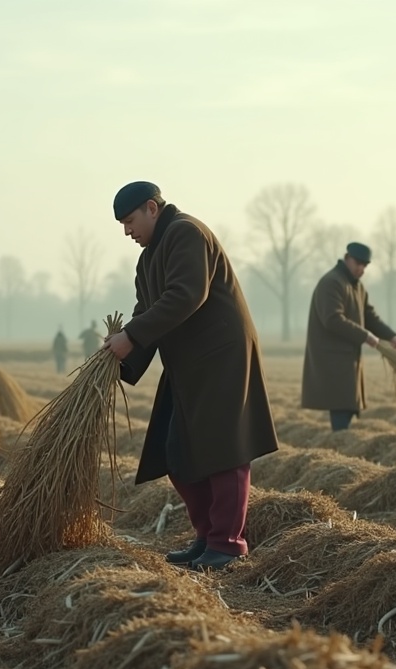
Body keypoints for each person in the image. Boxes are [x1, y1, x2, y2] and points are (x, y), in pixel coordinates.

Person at [104, 181, 278, 572]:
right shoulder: (148, 259)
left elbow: (186, 294)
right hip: (188, 363)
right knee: (177, 452)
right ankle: (207, 537)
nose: (127, 231)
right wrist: (119, 359)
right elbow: (147, 313)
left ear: (152, 208)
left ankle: (228, 544)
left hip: (221, 357)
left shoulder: (186, 232)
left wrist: (130, 336)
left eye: (130, 221)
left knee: (224, 450)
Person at [301, 241, 396, 431]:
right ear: (347, 259)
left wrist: (391, 336)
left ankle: (342, 445)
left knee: (347, 409)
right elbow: (332, 319)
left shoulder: (357, 287)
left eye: (365, 265)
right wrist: (365, 336)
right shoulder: (331, 283)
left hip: (347, 361)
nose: (361, 269)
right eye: (358, 263)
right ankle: (339, 448)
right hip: (333, 362)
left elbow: (369, 316)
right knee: (341, 410)